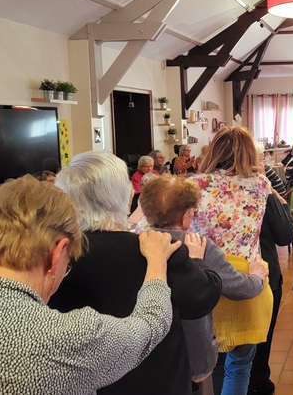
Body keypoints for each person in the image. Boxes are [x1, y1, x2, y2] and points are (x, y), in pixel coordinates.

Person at [0, 176, 182, 394]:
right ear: (57, 253)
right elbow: (151, 324)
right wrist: (156, 261)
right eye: (67, 265)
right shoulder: (76, 337)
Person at [50, 151, 222, 395]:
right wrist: (197, 261)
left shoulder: (54, 257)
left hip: (82, 382)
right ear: (124, 195)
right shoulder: (156, 249)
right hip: (156, 378)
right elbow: (202, 297)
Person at [139, 176, 267, 395]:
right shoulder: (199, 247)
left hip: (145, 351)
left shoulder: (136, 243)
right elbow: (240, 288)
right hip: (191, 353)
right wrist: (257, 276)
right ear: (187, 215)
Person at [190, 126, 274, 394]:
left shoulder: (193, 186)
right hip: (248, 282)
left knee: (211, 365)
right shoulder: (260, 186)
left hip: (206, 282)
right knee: (240, 366)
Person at [248, 187, 293, 395]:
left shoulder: (202, 187)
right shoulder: (261, 189)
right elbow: (285, 236)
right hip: (262, 273)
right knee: (261, 335)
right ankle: (258, 381)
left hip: (219, 275)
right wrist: (282, 203)